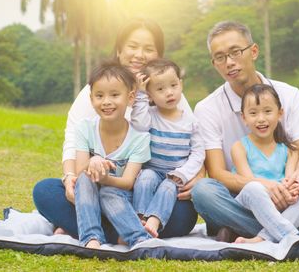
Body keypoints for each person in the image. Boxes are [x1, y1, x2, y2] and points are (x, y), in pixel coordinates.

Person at [33, 18, 199, 242]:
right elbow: (73, 140)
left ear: (158, 55)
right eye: (132, 46)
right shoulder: (96, 90)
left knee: (184, 215)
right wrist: (70, 176)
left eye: (148, 49)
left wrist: (195, 176)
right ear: (119, 50)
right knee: (45, 192)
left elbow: (191, 139)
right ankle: (122, 231)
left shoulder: (168, 94)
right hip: (101, 184)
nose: (139, 54)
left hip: (147, 190)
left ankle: (87, 227)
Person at [191, 21, 299, 243]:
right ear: (214, 64)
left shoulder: (289, 95)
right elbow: (218, 173)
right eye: (220, 57)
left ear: (254, 51)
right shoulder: (207, 108)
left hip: (287, 196)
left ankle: (248, 232)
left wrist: (294, 181)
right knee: (203, 192)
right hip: (241, 198)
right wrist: (263, 186)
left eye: (235, 52)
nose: (229, 62)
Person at [74, 61, 152, 248]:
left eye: (115, 95)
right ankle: (91, 237)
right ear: (91, 99)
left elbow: (127, 183)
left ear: (130, 97)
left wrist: (105, 179)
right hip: (88, 198)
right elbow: (79, 171)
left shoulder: (139, 139)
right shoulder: (85, 128)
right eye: (99, 96)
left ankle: (138, 238)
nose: (106, 101)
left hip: (121, 200)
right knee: (83, 179)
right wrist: (94, 161)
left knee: (108, 192)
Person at [231, 84, 299, 244]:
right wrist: (273, 190)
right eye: (253, 113)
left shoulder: (290, 149)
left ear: (280, 113)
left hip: (281, 202)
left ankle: (261, 239)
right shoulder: (239, 147)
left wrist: (295, 189)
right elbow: (248, 181)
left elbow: (289, 179)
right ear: (244, 118)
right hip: (251, 203)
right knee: (253, 188)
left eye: (268, 111)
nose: (261, 118)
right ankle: (296, 238)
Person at [130, 58, 204, 238]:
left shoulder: (191, 121)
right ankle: (138, 218)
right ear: (150, 94)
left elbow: (198, 153)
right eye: (160, 89)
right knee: (145, 178)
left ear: (181, 84)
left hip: (176, 174)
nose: (169, 93)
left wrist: (184, 173)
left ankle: (154, 220)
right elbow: (138, 125)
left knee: (169, 188)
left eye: (173, 85)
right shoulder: (150, 115)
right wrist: (140, 95)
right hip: (153, 170)